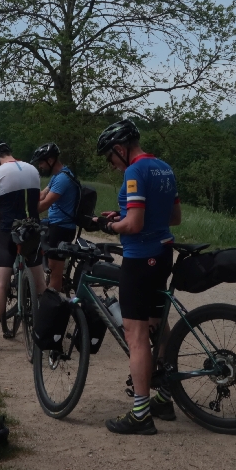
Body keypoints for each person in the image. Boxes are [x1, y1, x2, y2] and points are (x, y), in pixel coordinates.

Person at [95, 119, 181, 435]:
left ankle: (141, 413)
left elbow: (133, 225)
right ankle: (165, 398)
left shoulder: (134, 171)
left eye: (111, 157)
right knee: (158, 323)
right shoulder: (164, 168)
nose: (113, 165)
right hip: (163, 254)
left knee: (136, 335)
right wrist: (124, 215)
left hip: (140, 258)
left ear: (120, 148)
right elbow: (174, 217)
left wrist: (110, 226)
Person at [0, 139, 42, 352]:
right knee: (41, 286)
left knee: (0, 285)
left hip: (8, 231)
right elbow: (36, 204)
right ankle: (46, 332)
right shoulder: (33, 169)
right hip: (32, 230)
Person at [32, 142, 79, 293]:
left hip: (61, 229)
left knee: (55, 274)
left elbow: (44, 204)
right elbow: (42, 195)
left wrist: (25, 211)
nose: (40, 166)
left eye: (41, 162)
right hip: (55, 225)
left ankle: (53, 304)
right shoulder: (57, 176)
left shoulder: (62, 179)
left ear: (50, 160)